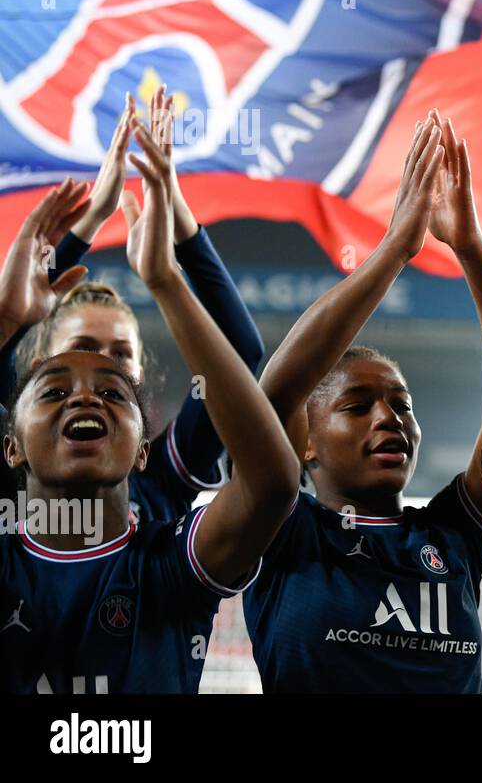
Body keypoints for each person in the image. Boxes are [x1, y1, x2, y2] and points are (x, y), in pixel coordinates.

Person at [0, 117, 299, 693]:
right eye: (71, 364)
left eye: (116, 371)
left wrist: (169, 264)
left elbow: (241, 361)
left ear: (141, 440)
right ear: (11, 440)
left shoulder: (167, 534)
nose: (88, 388)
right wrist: (76, 238)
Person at [241, 111, 482, 692]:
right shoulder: (282, 528)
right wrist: (394, 251)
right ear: (304, 443)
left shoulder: (452, 535)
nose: (390, 417)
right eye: (356, 405)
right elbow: (272, 397)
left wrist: (468, 246)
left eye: (402, 404)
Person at [0, 88, 263, 523]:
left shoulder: (161, 476)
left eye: (121, 354)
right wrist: (89, 222)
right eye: (83, 346)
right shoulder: (10, 464)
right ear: (39, 365)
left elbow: (241, 354)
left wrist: (173, 204)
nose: (103, 364)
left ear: (140, 377)